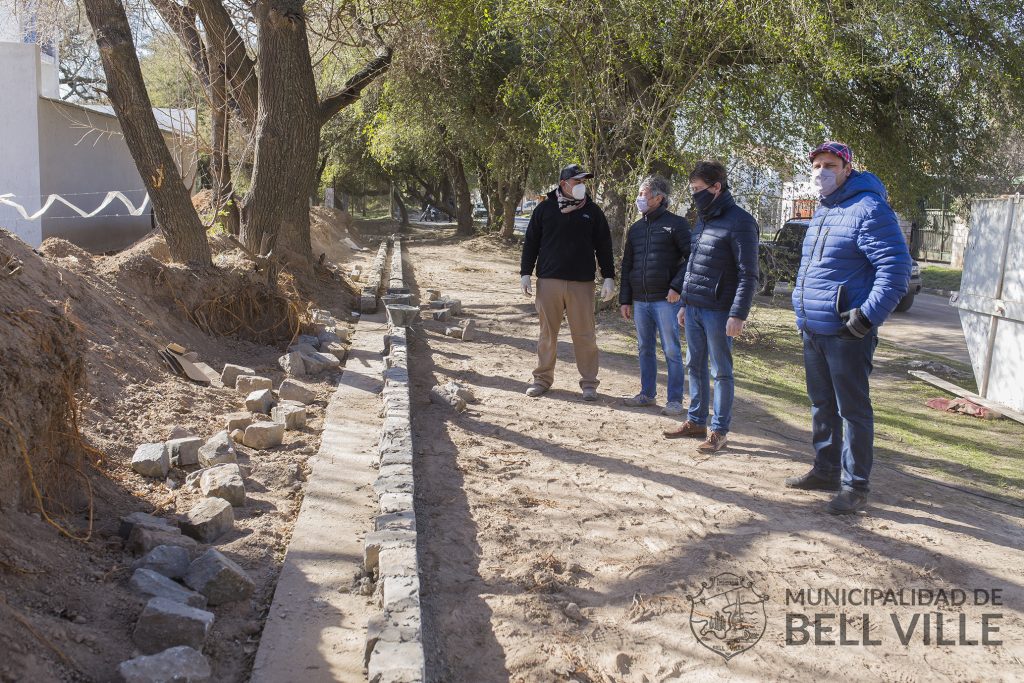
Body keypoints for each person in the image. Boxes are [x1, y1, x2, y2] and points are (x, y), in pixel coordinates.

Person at [785, 141, 911, 514]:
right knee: (821, 404)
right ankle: (825, 470)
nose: (821, 171)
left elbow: (896, 270)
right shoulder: (822, 211)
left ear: (847, 169)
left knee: (852, 410)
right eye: (817, 165)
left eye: (829, 164)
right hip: (814, 328)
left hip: (847, 332)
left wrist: (866, 317)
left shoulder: (869, 208)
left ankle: (855, 485)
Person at [663, 161, 758, 453]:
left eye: (697, 189)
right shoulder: (703, 218)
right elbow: (693, 264)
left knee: (721, 371)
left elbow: (748, 273)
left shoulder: (741, 222)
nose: (693, 195)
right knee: (695, 365)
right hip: (694, 308)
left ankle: (719, 430)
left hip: (720, 311)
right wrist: (685, 303)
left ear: (717, 187)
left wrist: (738, 314)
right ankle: (696, 421)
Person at [520, 164, 616, 401]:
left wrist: (609, 277)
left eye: (584, 182)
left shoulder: (593, 212)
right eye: (577, 181)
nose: (582, 186)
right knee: (547, 334)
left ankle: (589, 384)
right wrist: (525, 273)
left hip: (581, 283)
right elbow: (531, 242)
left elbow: (604, 246)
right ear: (564, 184)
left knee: (584, 334)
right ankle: (542, 379)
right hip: (548, 281)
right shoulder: (544, 209)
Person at [619, 174, 691, 415]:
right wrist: (625, 299)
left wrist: (677, 287)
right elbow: (628, 264)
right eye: (639, 194)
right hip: (640, 301)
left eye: (643, 194)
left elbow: (691, 259)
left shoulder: (677, 225)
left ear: (659, 198)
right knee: (644, 348)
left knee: (671, 350)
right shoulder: (636, 229)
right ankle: (647, 394)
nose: (639, 198)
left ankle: (674, 400)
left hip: (666, 301)